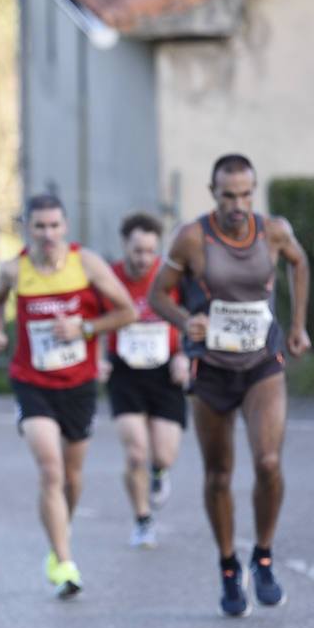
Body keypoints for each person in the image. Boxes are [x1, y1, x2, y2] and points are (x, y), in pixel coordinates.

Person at [147, 154, 311, 617]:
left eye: (245, 194)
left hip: (262, 362)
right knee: (218, 474)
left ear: (253, 191)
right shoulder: (192, 238)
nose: (237, 204)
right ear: (213, 193)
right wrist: (186, 321)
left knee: (269, 461)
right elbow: (158, 294)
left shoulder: (273, 230)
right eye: (228, 195)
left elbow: (299, 264)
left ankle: (262, 556)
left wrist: (297, 325)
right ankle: (227, 567)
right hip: (212, 369)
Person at [0, 194, 136, 598]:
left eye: (54, 226)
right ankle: (64, 561)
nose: (48, 234)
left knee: (71, 476)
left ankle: (59, 537)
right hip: (32, 383)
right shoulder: (14, 269)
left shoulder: (86, 264)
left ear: (65, 227)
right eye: (40, 227)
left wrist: (85, 329)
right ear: (27, 228)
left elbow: (127, 312)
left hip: (80, 384)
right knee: (50, 470)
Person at [96, 212, 189, 549]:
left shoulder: (170, 278)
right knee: (135, 452)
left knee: (163, 455)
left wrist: (185, 356)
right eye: (137, 250)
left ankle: (159, 473)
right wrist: (98, 360)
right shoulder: (109, 278)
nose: (144, 258)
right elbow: (92, 319)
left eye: (150, 251)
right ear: (124, 246)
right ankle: (142, 519)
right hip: (125, 371)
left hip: (166, 372)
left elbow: (192, 319)